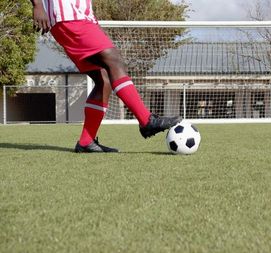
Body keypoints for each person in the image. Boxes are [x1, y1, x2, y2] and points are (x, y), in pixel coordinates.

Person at [30, 0, 182, 153]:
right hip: (68, 16)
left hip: (81, 18)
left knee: (104, 79)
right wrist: (38, 5)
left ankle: (86, 141)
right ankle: (147, 120)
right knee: (114, 60)